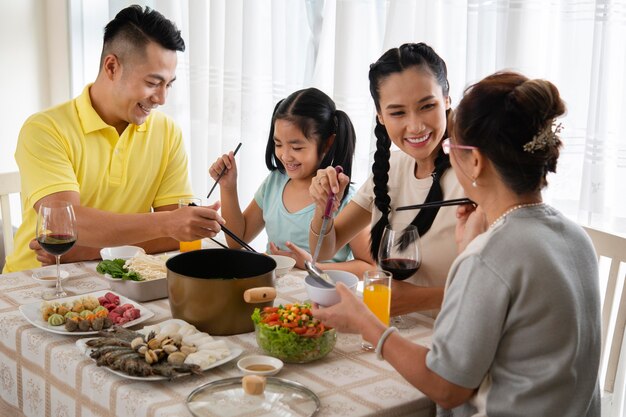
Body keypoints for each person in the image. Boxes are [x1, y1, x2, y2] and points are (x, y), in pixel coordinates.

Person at [312, 71, 601, 416]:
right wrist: (469, 251)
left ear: (475, 161)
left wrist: (366, 323)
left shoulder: (489, 256)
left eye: (452, 148)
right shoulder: (574, 237)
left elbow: (447, 387)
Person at [4, 5, 224, 273]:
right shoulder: (45, 129)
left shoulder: (167, 133)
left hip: (119, 277)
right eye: (153, 83)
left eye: (169, 84)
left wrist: (88, 250)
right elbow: (67, 224)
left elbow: (177, 234)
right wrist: (166, 222)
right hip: (41, 280)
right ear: (111, 66)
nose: (162, 98)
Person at [310, 43, 464, 315]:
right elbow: (324, 249)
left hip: (454, 335)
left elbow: (502, 288)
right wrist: (323, 211)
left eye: (427, 106)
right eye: (397, 113)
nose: (415, 125)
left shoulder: (476, 177)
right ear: (380, 116)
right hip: (388, 329)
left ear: (447, 99)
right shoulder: (390, 168)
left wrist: (418, 299)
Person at [209, 87, 375, 276]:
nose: (285, 156)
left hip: (320, 297)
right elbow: (236, 240)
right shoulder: (275, 182)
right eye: (278, 144)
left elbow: (369, 266)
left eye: (296, 147)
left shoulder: (343, 198)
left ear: (327, 143)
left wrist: (310, 265)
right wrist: (228, 186)